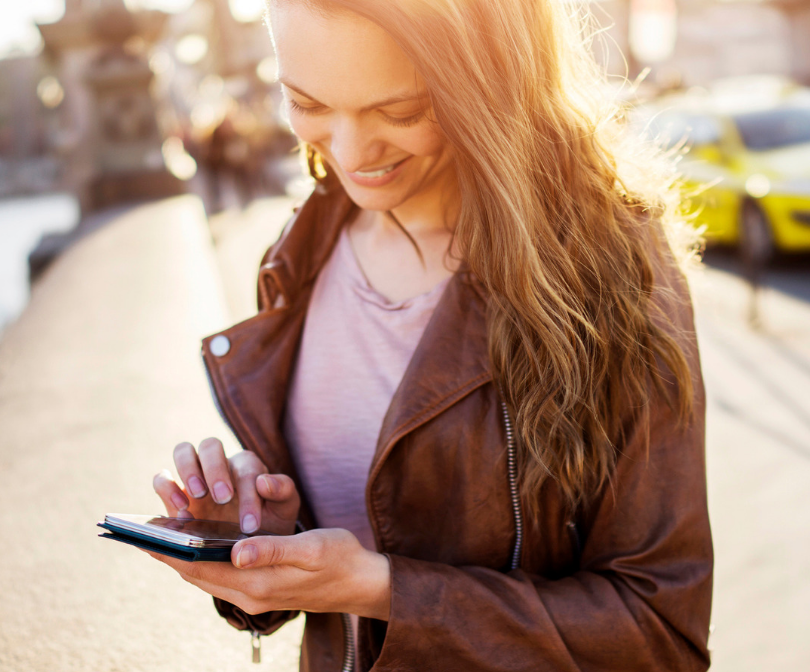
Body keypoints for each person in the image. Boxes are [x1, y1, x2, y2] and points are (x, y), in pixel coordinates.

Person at [145, 1, 712, 671]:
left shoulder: (613, 270)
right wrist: (265, 539)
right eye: (307, 102)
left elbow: (658, 633)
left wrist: (386, 591)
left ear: (492, 79)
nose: (352, 154)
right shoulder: (300, 252)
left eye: (401, 112)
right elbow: (340, 549)